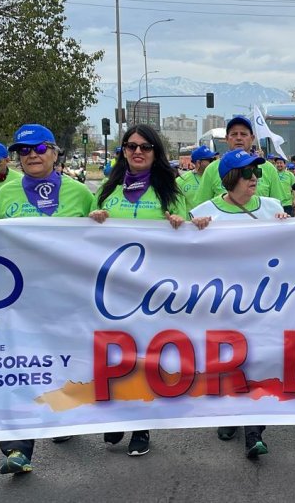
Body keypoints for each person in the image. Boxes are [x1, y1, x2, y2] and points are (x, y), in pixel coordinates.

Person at [0, 124, 94, 475]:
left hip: (68, 301)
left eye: (38, 149)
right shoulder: (5, 194)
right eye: (24, 151)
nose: (31, 155)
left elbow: (102, 240)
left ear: (54, 152)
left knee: (63, 366)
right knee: (20, 370)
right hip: (19, 303)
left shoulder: (81, 194)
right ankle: (18, 448)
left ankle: (63, 418)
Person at [88, 124, 187, 457]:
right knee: (113, 355)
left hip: (152, 292)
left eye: (145, 147)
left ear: (155, 153)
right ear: (123, 152)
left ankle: (141, 428)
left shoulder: (170, 192)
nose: (138, 152)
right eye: (131, 146)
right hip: (112, 290)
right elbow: (83, 237)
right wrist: (93, 220)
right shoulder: (106, 190)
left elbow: (191, 242)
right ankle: (117, 417)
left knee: (144, 357)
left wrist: (179, 225)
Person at [188, 149, 286, 458]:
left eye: (256, 172)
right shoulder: (205, 211)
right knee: (229, 362)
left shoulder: (271, 207)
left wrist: (288, 224)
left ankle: (253, 431)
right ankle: (230, 414)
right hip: (223, 305)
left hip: (263, 303)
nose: (254, 178)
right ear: (231, 179)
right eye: (246, 174)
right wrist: (192, 229)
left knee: (258, 361)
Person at [193, 117, 286, 206]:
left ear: (252, 138)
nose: (238, 138)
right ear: (226, 139)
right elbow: (201, 206)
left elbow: (278, 204)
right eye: (234, 134)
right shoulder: (212, 169)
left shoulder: (268, 168)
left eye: (243, 134)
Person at [176, 145, 217, 211]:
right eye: (210, 160)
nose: (213, 162)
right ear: (198, 163)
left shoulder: (217, 178)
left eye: (214, 159)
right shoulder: (181, 181)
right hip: (189, 221)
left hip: (210, 220)